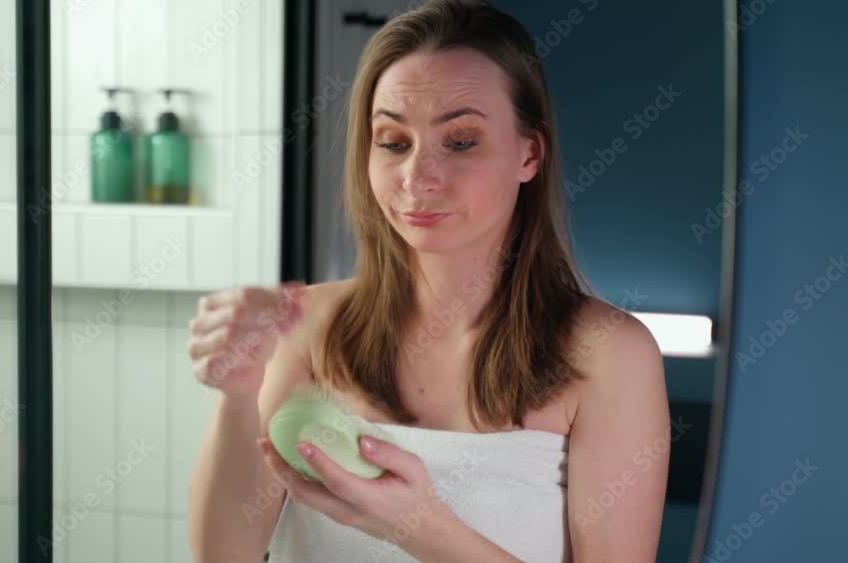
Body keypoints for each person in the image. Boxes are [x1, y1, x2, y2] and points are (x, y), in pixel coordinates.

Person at [186, 1, 669, 561]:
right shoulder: (306, 325)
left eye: (460, 141)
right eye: (393, 142)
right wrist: (238, 395)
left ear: (529, 154)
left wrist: (418, 526)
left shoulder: (611, 356)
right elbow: (222, 555)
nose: (418, 176)